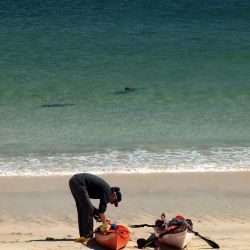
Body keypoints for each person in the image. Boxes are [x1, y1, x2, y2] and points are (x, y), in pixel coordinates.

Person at [69, 173, 122, 241]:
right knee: (88, 209)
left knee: (82, 209)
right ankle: (88, 236)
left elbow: (90, 205)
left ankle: (83, 236)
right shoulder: (107, 191)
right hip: (79, 182)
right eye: (114, 201)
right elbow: (101, 212)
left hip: (74, 181)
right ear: (114, 194)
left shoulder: (106, 190)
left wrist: (95, 212)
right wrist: (105, 224)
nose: (112, 203)